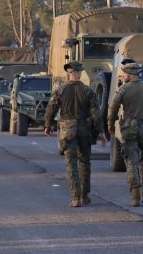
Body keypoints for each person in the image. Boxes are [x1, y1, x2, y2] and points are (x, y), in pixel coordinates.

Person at [44, 60, 106, 207]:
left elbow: (50, 108)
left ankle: (75, 198)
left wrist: (48, 125)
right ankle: (84, 195)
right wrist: (101, 132)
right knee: (84, 162)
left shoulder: (60, 90)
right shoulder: (88, 91)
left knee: (71, 164)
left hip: (67, 130)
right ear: (79, 73)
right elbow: (96, 114)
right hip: (84, 129)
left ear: (68, 74)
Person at [108, 62, 143, 207]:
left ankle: (135, 196)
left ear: (128, 74)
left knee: (131, 162)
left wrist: (111, 124)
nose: (124, 76)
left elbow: (113, 108)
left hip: (128, 128)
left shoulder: (123, 89)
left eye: (124, 74)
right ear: (138, 73)